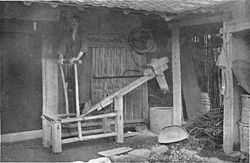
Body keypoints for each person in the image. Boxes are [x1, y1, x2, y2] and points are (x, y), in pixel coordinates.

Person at [58, 15, 88, 113]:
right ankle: (71, 109)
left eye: (75, 22)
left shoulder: (83, 34)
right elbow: (62, 46)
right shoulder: (67, 35)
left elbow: (84, 48)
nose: (74, 24)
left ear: (79, 23)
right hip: (70, 64)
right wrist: (61, 56)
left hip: (81, 65)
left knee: (81, 86)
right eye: (72, 22)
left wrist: (77, 58)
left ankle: (81, 108)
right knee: (69, 85)